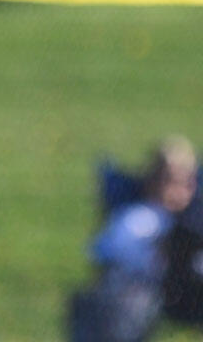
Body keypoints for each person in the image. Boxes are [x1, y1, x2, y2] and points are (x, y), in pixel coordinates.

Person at [70, 136, 199, 342]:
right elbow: (108, 250)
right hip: (138, 294)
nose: (179, 190)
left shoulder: (193, 220)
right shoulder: (140, 219)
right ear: (151, 181)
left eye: (187, 182)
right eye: (169, 181)